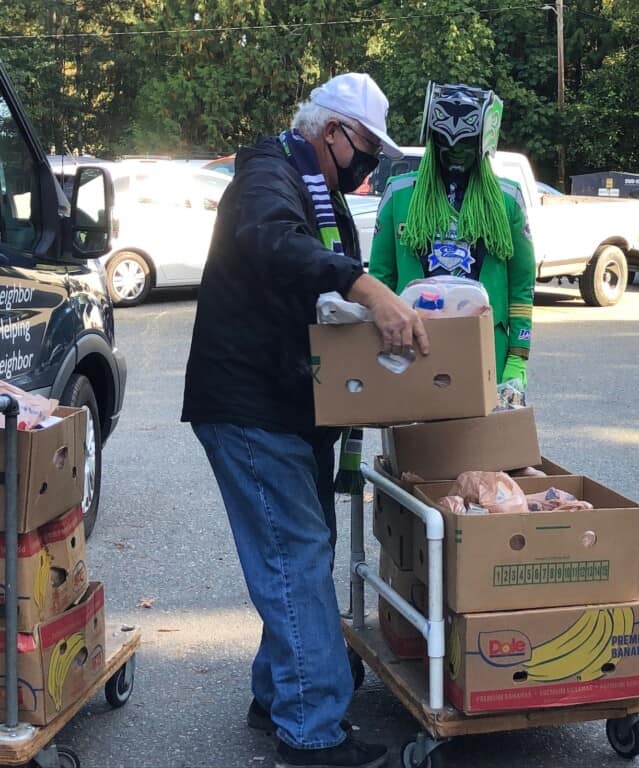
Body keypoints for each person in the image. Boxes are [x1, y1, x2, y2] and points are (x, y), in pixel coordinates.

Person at [181, 73, 428, 768]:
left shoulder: (302, 179)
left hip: (290, 402)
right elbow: (272, 242)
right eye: (365, 150)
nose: (368, 166)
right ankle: (311, 732)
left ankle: (278, 696)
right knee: (295, 557)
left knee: (299, 548)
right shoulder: (268, 174)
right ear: (330, 134)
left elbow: (307, 278)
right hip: (251, 404)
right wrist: (365, 286)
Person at [369, 81, 534, 389]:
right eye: (447, 144)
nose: (456, 154)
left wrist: (517, 357)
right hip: (413, 347)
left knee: (477, 437)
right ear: (433, 142)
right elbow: (381, 280)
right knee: (417, 437)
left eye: (466, 145)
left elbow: (521, 287)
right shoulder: (400, 193)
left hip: (486, 350)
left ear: (482, 143)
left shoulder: (507, 199)